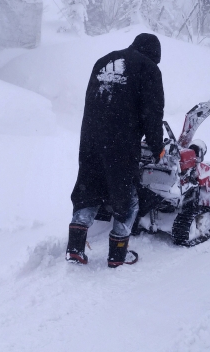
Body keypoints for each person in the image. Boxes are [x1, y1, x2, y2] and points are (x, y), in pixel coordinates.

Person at [65, 33, 165, 267]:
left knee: (88, 188)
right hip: (121, 143)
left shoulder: (104, 61)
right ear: (154, 54)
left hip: (90, 139)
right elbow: (152, 113)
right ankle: (117, 256)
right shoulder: (149, 69)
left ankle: (75, 249)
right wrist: (156, 145)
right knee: (127, 197)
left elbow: (93, 101)